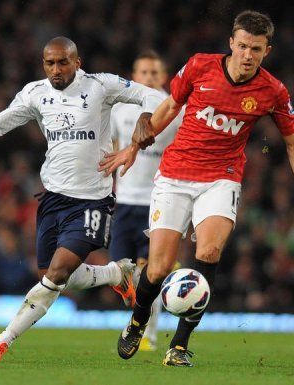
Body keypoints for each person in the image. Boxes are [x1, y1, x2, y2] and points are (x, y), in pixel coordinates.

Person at [100, 10, 294, 367]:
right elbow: (167, 108)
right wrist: (133, 148)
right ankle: (137, 320)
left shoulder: (272, 90)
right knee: (158, 268)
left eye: (255, 49)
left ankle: (179, 345)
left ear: (266, 50)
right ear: (231, 43)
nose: (247, 55)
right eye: (242, 46)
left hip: (222, 178)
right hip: (175, 174)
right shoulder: (199, 67)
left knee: (208, 253)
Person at [0, 36, 164, 364]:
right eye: (50, 63)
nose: (56, 69)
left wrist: (146, 116)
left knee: (56, 273)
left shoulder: (101, 86)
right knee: (57, 275)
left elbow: (152, 95)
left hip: (93, 202)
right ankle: (117, 274)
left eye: (63, 62)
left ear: (78, 61)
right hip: (53, 200)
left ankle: (1, 342)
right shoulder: (35, 93)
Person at [109, 50, 181, 351]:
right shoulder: (119, 109)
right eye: (143, 72)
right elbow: (112, 149)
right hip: (124, 202)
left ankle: (148, 332)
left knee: (148, 271)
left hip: (157, 201)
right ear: (134, 76)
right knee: (120, 270)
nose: (149, 77)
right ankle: (143, 312)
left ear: (163, 77)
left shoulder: (177, 110)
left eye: (154, 73)